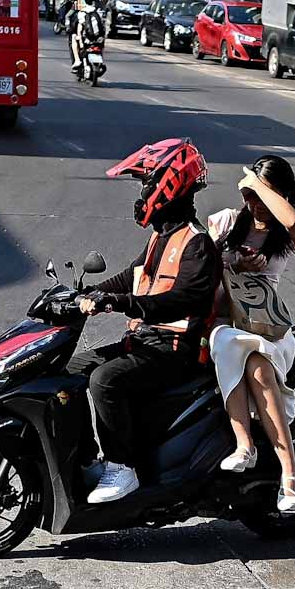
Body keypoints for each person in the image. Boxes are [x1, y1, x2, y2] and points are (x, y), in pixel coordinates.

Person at [71, 138, 221, 504]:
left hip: (174, 351)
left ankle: (122, 467)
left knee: (104, 380)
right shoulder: (163, 234)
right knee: (71, 368)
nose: (143, 193)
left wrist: (121, 303)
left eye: (147, 184)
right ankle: (87, 458)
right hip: (144, 343)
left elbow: (182, 300)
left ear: (170, 184)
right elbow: (132, 276)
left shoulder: (197, 243)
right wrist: (86, 293)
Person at [207, 157, 295, 513]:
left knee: (259, 367)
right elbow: (204, 270)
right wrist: (235, 263)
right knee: (227, 343)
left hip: (268, 326)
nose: (254, 204)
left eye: (262, 196)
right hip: (227, 320)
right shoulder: (226, 222)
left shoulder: (286, 235)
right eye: (249, 195)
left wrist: (263, 185)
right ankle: (244, 445)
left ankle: (290, 475)